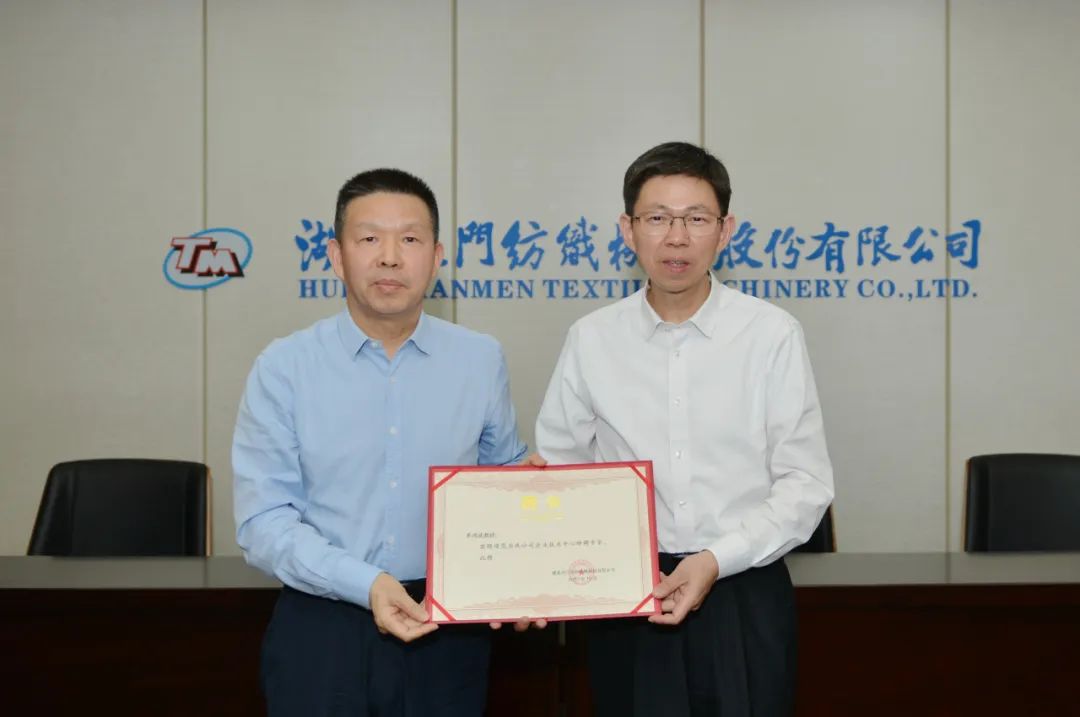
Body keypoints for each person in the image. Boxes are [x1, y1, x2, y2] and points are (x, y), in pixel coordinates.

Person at [535, 141, 834, 716]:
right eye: (657, 219)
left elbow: (805, 484)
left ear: (725, 231)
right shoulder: (591, 339)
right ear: (627, 230)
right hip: (629, 595)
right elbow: (562, 471)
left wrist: (716, 559)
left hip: (743, 589)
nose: (677, 238)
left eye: (696, 219)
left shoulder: (771, 335)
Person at [233, 168, 528, 716]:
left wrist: (533, 547)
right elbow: (263, 522)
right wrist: (365, 583)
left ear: (436, 257)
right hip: (324, 627)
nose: (390, 257)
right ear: (336, 255)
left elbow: (502, 482)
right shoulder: (284, 368)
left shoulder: (480, 359)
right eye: (369, 238)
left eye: (410, 239)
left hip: (447, 631)